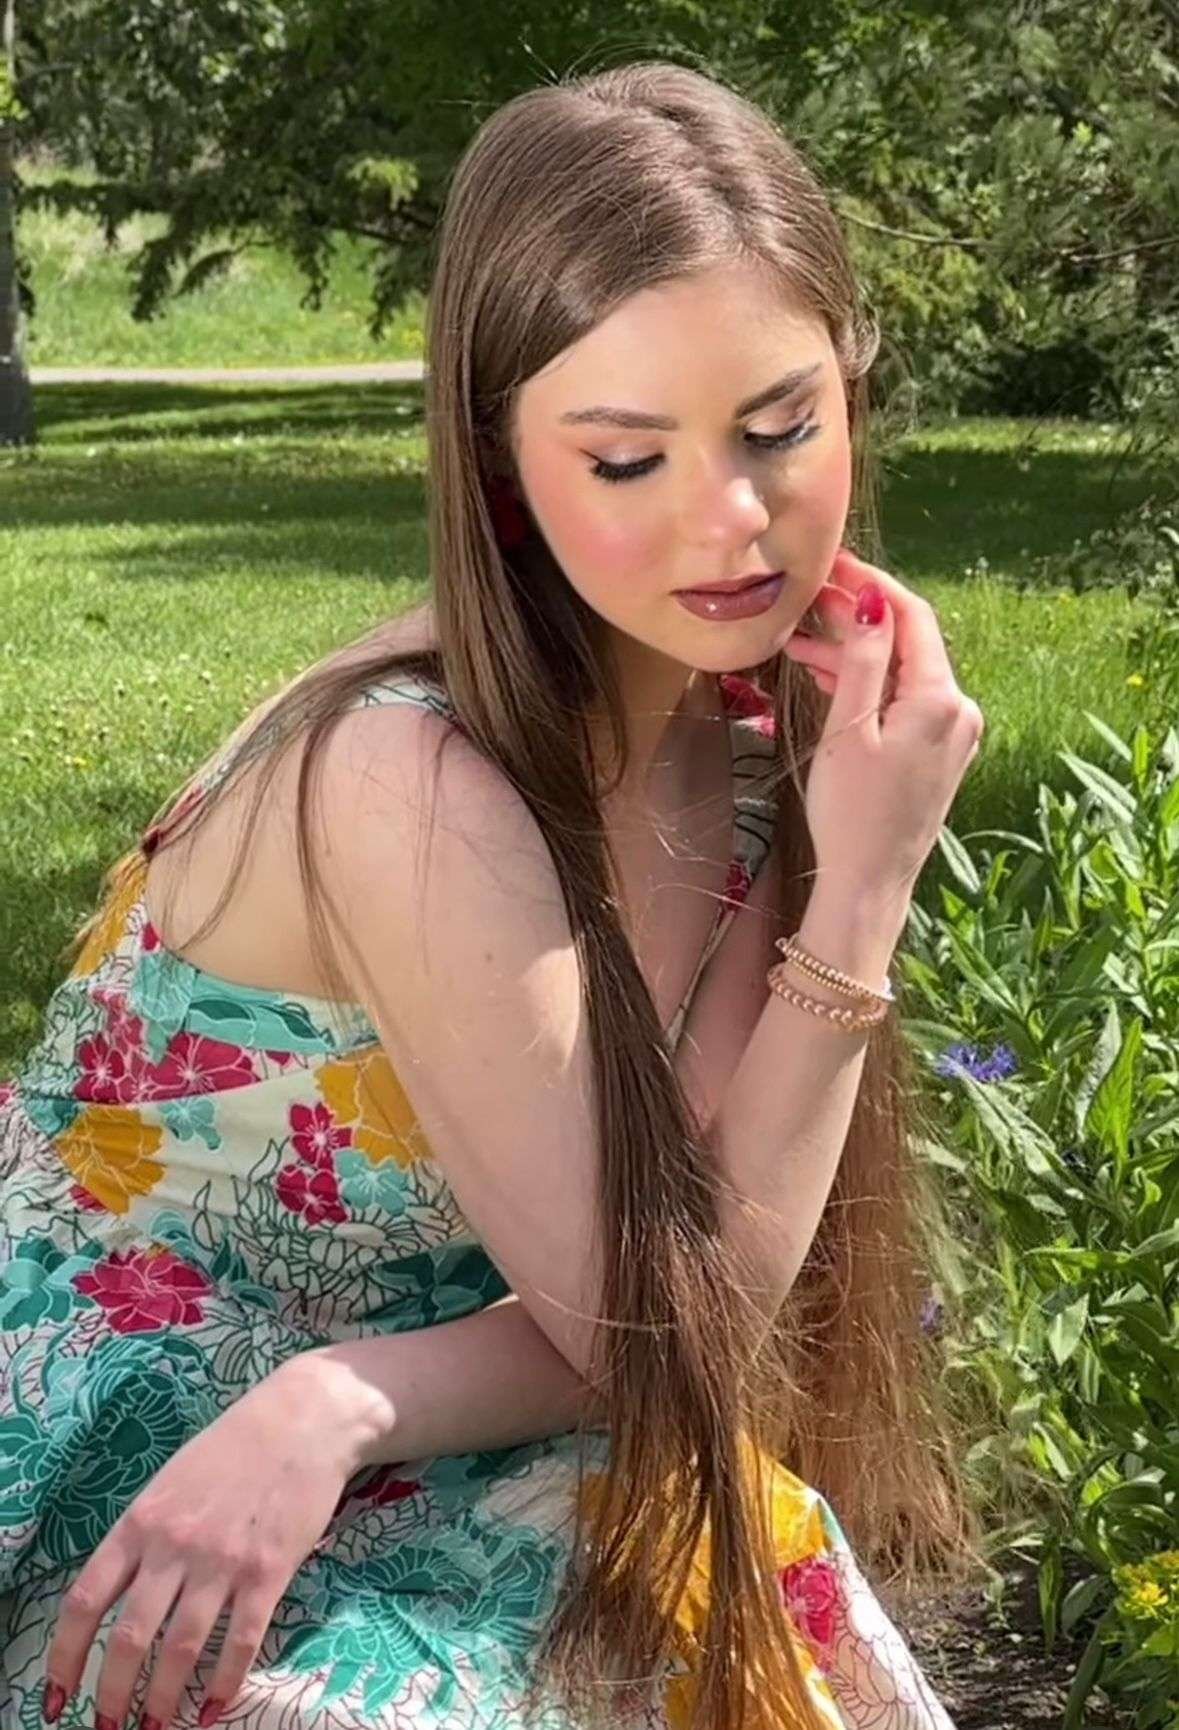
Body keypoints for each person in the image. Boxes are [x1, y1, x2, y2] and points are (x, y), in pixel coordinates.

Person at [0, 59, 988, 1730]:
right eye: (628, 459)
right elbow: (641, 1325)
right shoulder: (410, 770)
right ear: (504, 463)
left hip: (415, 1422)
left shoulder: (757, 757)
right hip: (119, 1421)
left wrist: (855, 879)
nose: (733, 520)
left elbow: (692, 1298)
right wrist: (330, 1400)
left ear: (852, 383)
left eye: (780, 428)